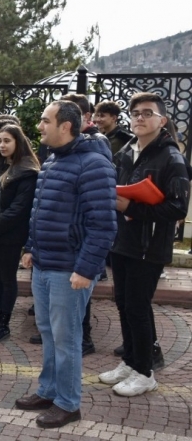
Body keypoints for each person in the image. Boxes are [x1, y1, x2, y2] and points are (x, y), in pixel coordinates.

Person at [15, 101, 116, 429]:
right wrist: (31, 248)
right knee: (48, 332)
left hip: (69, 269)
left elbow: (103, 225)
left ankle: (69, 403)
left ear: (67, 126)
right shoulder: (54, 159)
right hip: (44, 264)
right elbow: (41, 211)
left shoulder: (93, 164)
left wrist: (86, 269)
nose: (40, 126)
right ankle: (48, 390)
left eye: (46, 121)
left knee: (66, 338)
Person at [99, 92, 191, 397]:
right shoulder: (127, 150)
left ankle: (144, 372)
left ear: (161, 120)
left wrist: (132, 208)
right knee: (123, 303)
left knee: (138, 307)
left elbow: (178, 208)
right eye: (135, 112)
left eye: (147, 113)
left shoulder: (170, 157)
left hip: (148, 245)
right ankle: (130, 361)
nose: (139, 117)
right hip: (122, 241)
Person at [61, 93, 112, 355]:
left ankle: (85, 339)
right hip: (65, 238)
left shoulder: (95, 145)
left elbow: (100, 212)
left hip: (80, 237)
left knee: (80, 295)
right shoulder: (64, 148)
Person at [0, 125, 39, 342]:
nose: (2, 145)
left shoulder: (27, 171)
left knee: (6, 279)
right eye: (0, 141)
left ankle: (3, 323)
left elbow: (19, 208)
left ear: (18, 143)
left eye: (8, 141)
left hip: (10, 235)